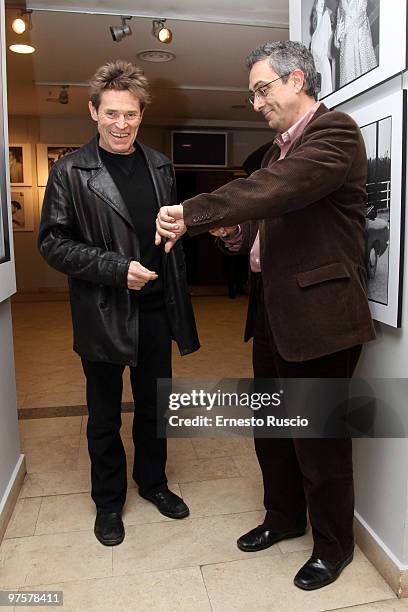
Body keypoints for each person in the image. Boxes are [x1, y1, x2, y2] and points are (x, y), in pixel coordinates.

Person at [155, 41, 375, 590]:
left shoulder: (335, 134)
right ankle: (283, 519)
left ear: (296, 79)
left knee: (318, 441)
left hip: (322, 319)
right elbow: (262, 227)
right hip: (274, 315)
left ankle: (333, 546)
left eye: (261, 88)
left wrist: (195, 213)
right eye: (251, 92)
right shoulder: (277, 151)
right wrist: (234, 232)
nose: (255, 102)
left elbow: (275, 189)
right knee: (272, 433)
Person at [38, 60, 200, 547]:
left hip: (155, 309)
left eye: (130, 114)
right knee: (104, 416)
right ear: (93, 112)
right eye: (111, 113)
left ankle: (152, 483)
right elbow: (52, 243)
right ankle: (108, 503)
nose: (121, 124)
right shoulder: (70, 171)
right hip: (103, 312)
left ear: (141, 115)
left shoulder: (160, 166)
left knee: (155, 408)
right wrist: (114, 268)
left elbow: (171, 231)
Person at [334, 0, 377, 88]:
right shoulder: (341, 6)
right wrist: (337, 36)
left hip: (360, 53)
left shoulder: (360, 1)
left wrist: (345, 31)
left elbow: (360, 19)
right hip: (347, 56)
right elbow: (336, 43)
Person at [310, 0, 334, 97]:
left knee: (325, 88)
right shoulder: (317, 23)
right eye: (319, 3)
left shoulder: (326, 17)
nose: (321, 5)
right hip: (317, 63)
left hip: (322, 60)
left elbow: (323, 42)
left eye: (323, 4)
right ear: (315, 5)